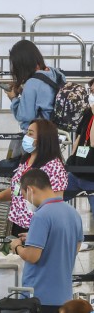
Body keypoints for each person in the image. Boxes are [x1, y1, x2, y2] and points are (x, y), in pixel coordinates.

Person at [10, 169, 82, 313]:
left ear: (31, 189)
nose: (26, 200)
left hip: (40, 296)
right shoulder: (72, 212)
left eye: (24, 195)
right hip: (63, 295)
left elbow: (33, 256)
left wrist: (17, 246)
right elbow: (74, 246)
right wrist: (35, 238)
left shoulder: (42, 216)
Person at [0, 119, 68, 236]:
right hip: (16, 225)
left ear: (43, 139)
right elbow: (17, 189)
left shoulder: (54, 167)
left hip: (37, 227)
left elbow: (56, 204)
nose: (26, 137)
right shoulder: (26, 160)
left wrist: (39, 233)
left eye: (31, 134)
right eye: (27, 132)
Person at [5, 40, 65, 130]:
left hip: (39, 134)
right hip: (55, 131)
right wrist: (22, 92)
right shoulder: (55, 73)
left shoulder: (32, 83)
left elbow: (25, 116)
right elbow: (45, 98)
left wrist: (13, 99)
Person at [66, 77, 94, 212]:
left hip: (92, 177)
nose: (92, 95)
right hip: (77, 172)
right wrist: (72, 156)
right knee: (51, 198)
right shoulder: (88, 112)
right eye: (92, 92)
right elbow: (80, 135)